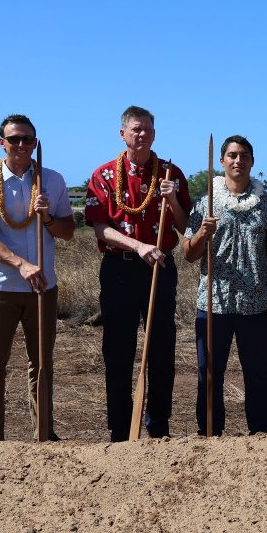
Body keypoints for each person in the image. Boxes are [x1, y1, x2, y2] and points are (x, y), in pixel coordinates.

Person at [85, 105, 191, 441]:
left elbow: (184, 225)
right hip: (120, 268)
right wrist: (138, 246)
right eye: (135, 129)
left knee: (161, 348)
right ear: (123, 134)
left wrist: (172, 199)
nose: (141, 134)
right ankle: (119, 428)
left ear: (154, 134)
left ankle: (158, 426)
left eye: (146, 129)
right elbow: (100, 228)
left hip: (160, 267)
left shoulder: (171, 173)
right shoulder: (103, 175)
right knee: (118, 349)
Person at [0, 114, 75, 440]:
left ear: (35, 143)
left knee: (41, 364)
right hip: (1, 286)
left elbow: (68, 231)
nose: (20, 145)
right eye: (14, 139)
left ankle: (43, 433)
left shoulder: (52, 181)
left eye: (27, 139)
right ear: (2, 143)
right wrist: (21, 264)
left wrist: (48, 216)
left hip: (43, 288)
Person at [182, 136, 267, 436]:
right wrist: (202, 233)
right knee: (210, 374)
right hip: (214, 303)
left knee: (257, 373)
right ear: (222, 161)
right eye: (232, 155)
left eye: (244, 155)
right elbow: (189, 254)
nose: (238, 160)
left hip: (254, 303)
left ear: (252, 161)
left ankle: (261, 432)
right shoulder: (205, 202)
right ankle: (210, 433)